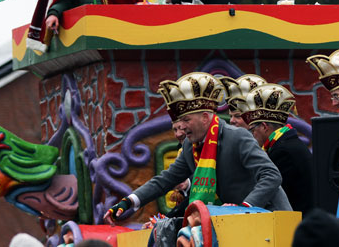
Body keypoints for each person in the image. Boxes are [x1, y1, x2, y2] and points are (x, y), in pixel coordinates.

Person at [104, 72, 290, 226]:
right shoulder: (189, 146)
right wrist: (128, 201)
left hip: (270, 221)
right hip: (232, 223)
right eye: (180, 121)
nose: (182, 127)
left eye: (186, 120)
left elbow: (271, 175)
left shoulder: (237, 137)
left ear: (205, 117)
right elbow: (165, 180)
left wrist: (245, 208)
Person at [232, 83, 314, 215]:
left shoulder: (282, 152)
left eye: (252, 130)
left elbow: (270, 194)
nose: (252, 135)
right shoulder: (289, 143)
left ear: (264, 127)